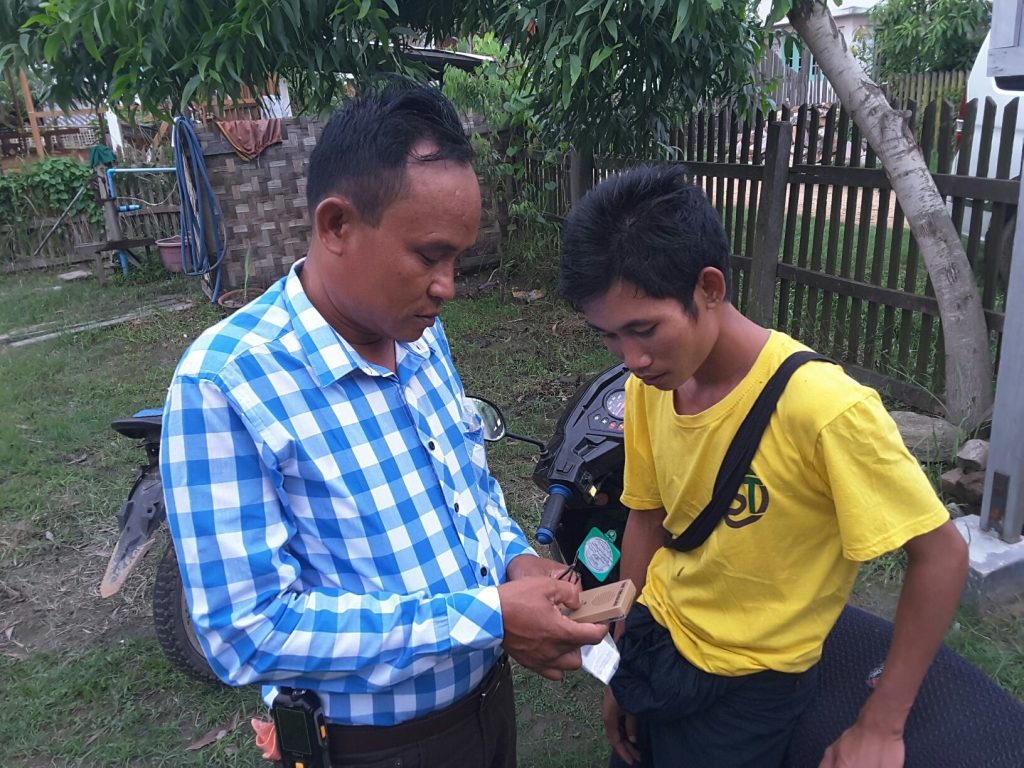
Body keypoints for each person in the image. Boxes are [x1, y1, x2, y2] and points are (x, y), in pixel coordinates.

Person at [160, 84, 607, 768]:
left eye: (456, 259)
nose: (448, 285)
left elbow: (468, 491)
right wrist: (488, 614)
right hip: (372, 748)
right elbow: (246, 632)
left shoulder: (419, 336)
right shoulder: (226, 385)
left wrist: (514, 561)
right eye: (429, 256)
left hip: (487, 707)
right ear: (337, 225)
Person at [558, 164, 969, 768]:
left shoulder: (825, 410)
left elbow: (941, 555)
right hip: (655, 638)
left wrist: (882, 724)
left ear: (709, 288)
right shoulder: (650, 388)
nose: (633, 358)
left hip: (749, 687)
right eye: (610, 337)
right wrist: (622, 665)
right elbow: (645, 518)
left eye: (644, 329)